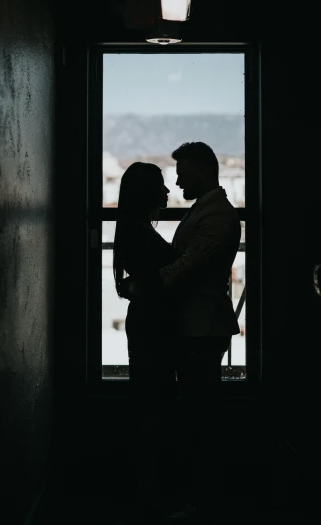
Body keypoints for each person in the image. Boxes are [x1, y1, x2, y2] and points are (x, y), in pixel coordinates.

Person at [124, 142, 242, 518]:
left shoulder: (217, 215)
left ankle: (203, 502)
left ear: (203, 172)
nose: (176, 180)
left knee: (201, 416)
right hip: (196, 324)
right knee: (196, 414)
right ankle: (200, 499)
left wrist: (143, 286)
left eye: (183, 172)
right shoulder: (207, 212)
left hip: (202, 326)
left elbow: (187, 265)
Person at [112, 161, 176, 513]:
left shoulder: (133, 230)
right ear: (146, 193)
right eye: (161, 186)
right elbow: (161, 279)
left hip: (147, 324)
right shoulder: (140, 233)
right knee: (154, 404)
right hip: (153, 327)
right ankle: (150, 492)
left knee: (150, 402)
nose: (168, 192)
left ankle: (148, 490)